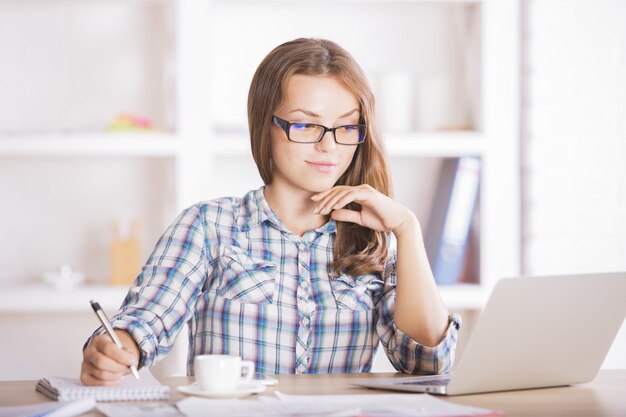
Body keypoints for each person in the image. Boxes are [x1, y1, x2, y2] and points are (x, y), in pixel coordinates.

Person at [80, 38, 461, 386]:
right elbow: (145, 321)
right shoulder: (210, 226)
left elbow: (429, 363)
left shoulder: (374, 240)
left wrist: (407, 229)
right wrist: (117, 348)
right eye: (306, 124)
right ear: (266, 125)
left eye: (346, 127)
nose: (329, 145)